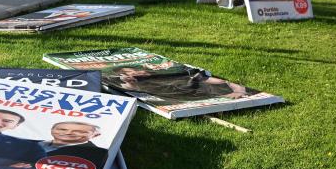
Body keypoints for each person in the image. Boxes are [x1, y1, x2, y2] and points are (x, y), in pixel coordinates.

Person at [108, 67, 256, 106]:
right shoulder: (137, 85)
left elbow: (221, 82)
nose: (135, 73)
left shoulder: (169, 74)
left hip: (207, 93)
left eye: (134, 70)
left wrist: (238, 90)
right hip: (188, 99)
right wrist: (131, 84)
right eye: (130, 73)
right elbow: (140, 96)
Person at [40, 121, 106, 166]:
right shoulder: (32, 143)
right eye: (62, 129)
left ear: (95, 135)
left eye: (79, 131)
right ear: (52, 130)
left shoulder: (98, 154)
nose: (68, 133)